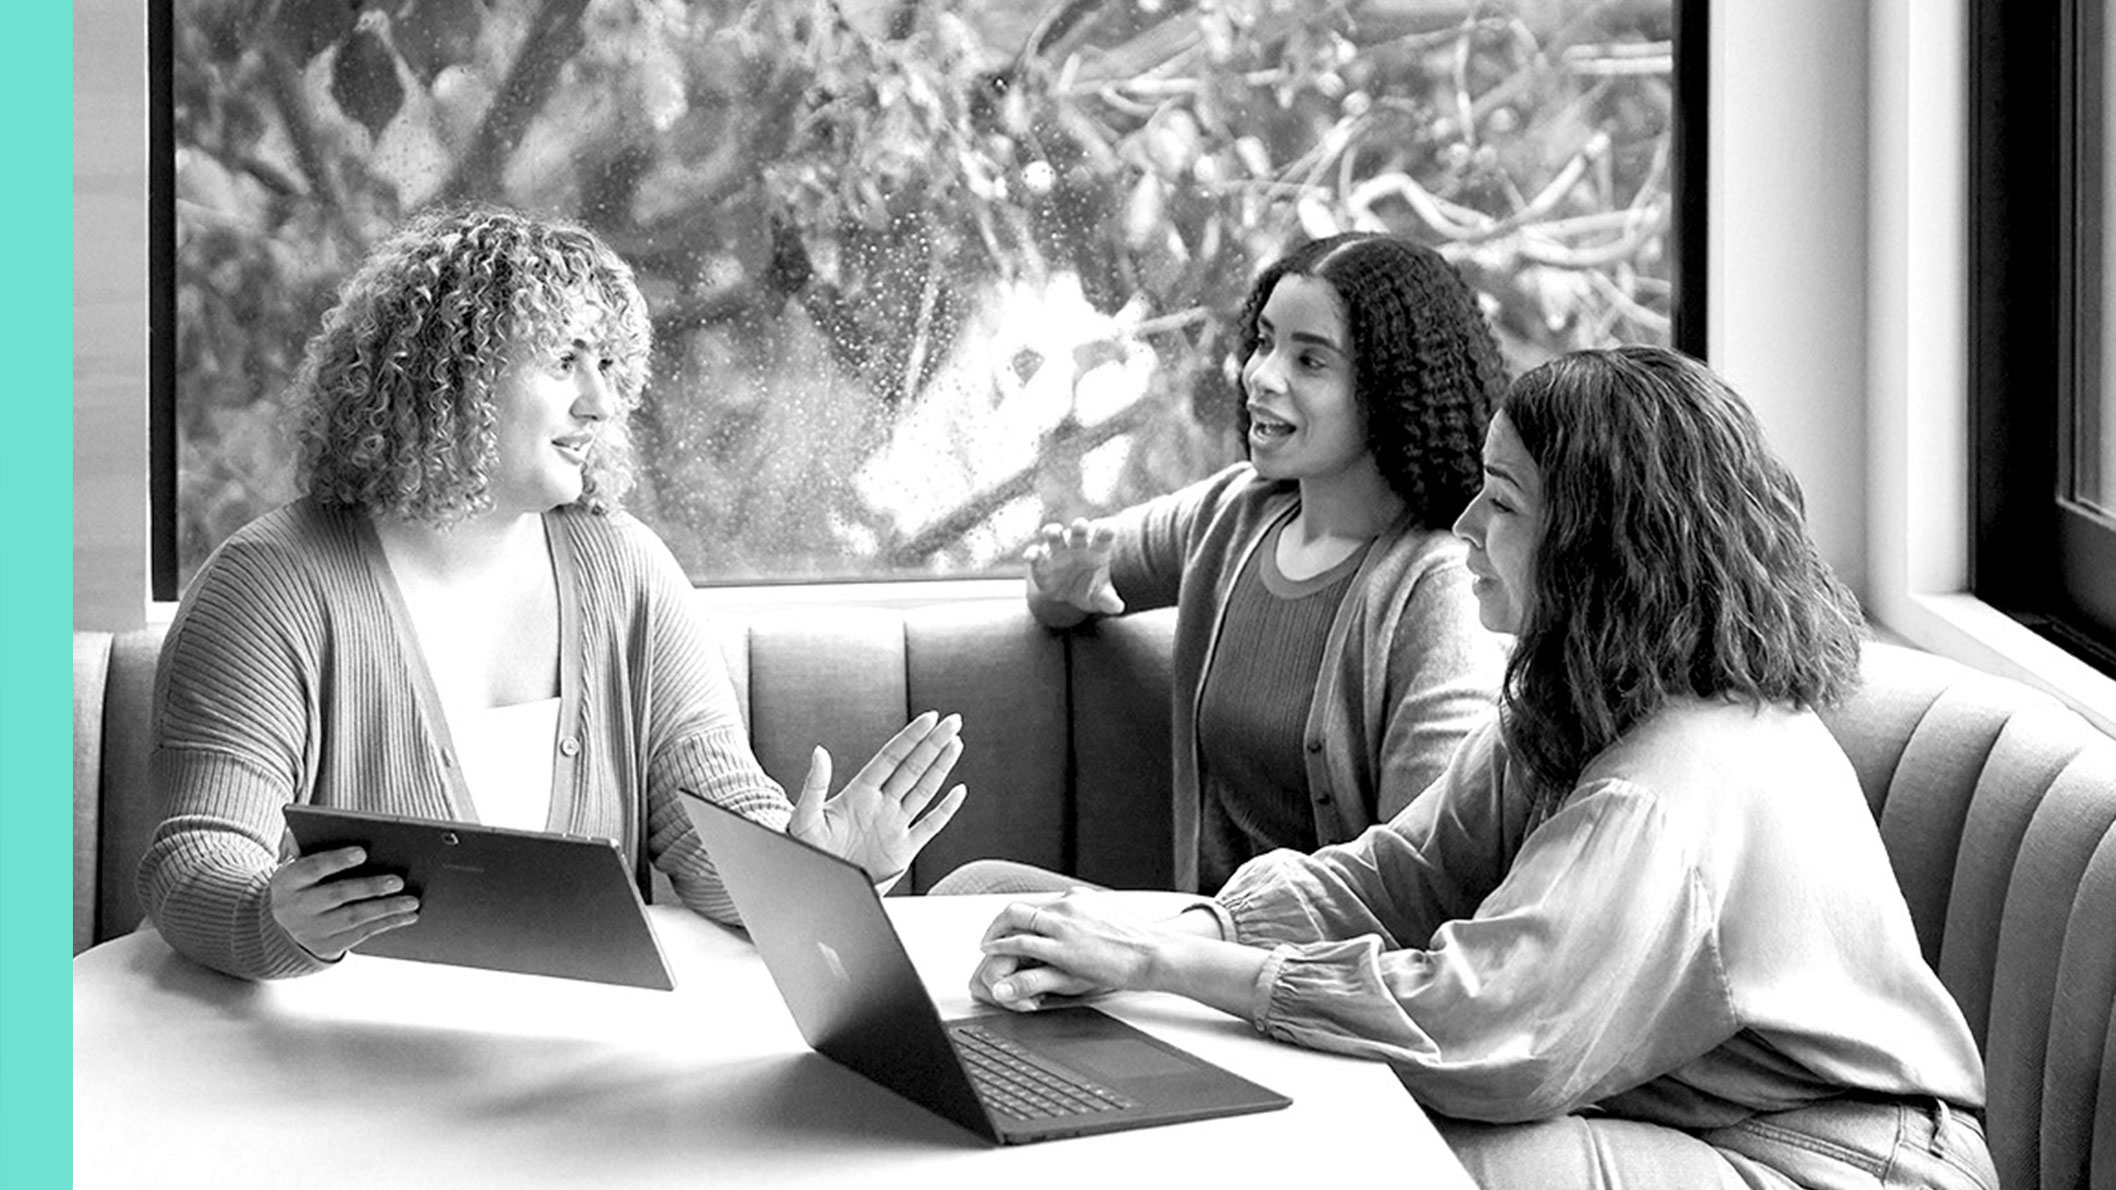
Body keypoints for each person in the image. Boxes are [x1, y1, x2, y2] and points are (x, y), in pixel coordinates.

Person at [967, 346, 1996, 1188]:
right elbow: (1394, 876)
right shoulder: (1576, 704)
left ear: (1599, 545)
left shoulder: (1665, 782)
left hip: (1838, 1165)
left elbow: (1487, 1031)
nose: (1463, 525)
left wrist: (1164, 965)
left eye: (1499, 501)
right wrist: (1181, 929)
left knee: (1382, 1150)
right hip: (1695, 1127)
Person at [138, 205, 968, 980]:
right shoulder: (271, 583)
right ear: (447, 376)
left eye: (607, 366)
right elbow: (194, 858)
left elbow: (712, 827)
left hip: (572, 1073)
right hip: (310, 1072)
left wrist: (814, 866)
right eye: (561, 360)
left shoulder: (628, 570)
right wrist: (272, 920)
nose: (601, 402)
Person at [943, 232, 1508, 896]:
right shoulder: (1231, 515)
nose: (1261, 376)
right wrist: (1061, 587)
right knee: (974, 891)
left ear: (1392, 389)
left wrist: (1215, 955)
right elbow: (1070, 582)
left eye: (1310, 361)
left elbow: (1419, 883)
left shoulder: (1437, 588)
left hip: (1306, 969)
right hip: (1198, 944)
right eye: (1265, 343)